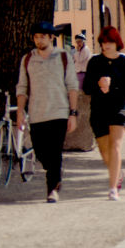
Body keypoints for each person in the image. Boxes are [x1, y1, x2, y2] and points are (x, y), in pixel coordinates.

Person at [15, 21, 79, 203]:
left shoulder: (63, 57)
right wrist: (20, 111)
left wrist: (73, 113)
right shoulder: (28, 59)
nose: (39, 40)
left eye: (42, 36)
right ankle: (55, 173)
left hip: (59, 112)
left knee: (55, 151)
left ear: (52, 37)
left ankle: (52, 189)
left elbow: (72, 86)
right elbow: (22, 87)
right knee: (42, 153)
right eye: (36, 37)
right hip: (36, 114)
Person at [81, 27, 125, 200]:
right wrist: (99, 85)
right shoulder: (94, 62)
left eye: (109, 42)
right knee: (104, 150)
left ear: (116, 43)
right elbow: (86, 88)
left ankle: (113, 188)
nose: (106, 46)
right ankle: (117, 172)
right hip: (99, 109)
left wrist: (112, 87)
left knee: (115, 146)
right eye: (103, 43)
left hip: (119, 108)